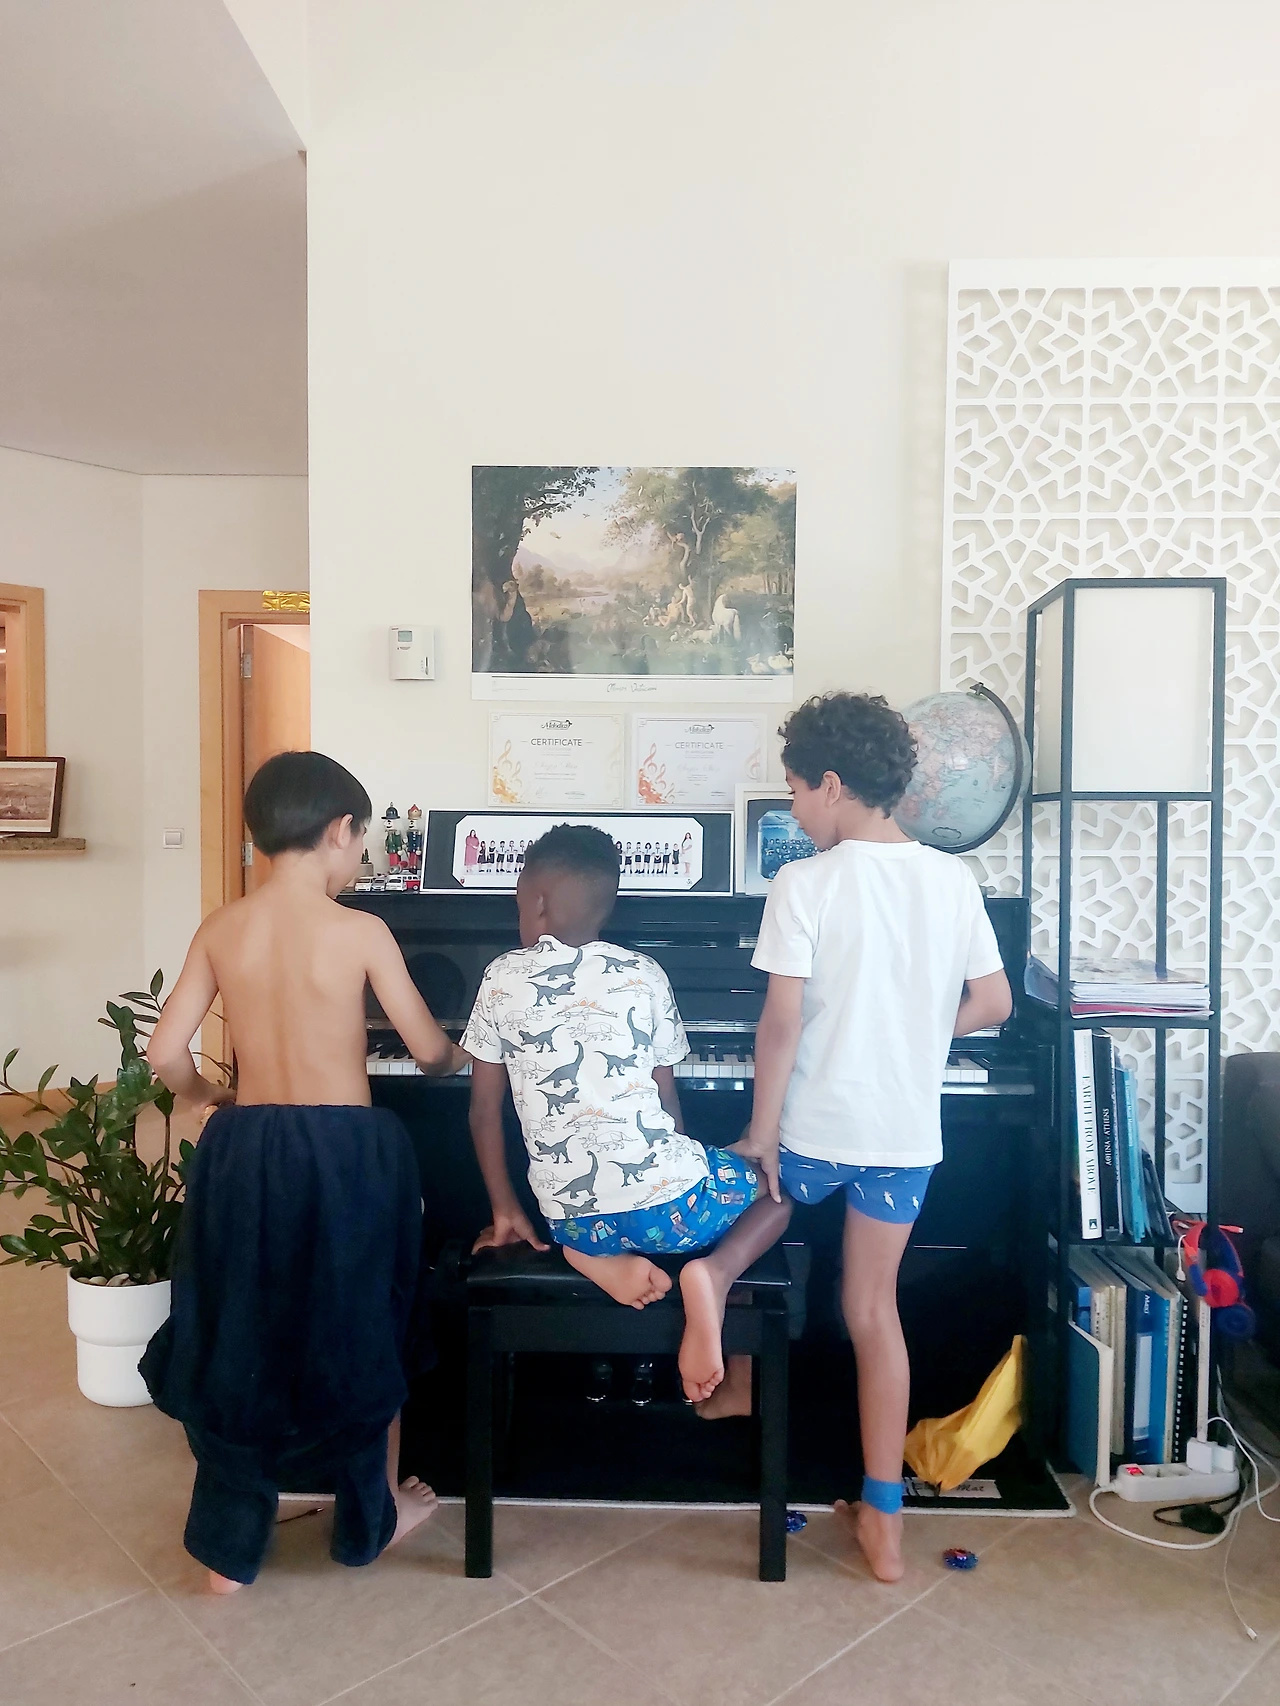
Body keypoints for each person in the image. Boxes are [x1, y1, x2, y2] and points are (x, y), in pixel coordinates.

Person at [141, 750, 469, 1594]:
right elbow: (428, 1049)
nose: (358, 856)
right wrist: (457, 1055)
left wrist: (209, 1097)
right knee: (364, 1319)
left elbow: (165, 1052)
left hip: (246, 1148)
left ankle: (227, 1550)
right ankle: (369, 1521)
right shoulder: (360, 931)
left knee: (239, 1324)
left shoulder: (223, 926)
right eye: (360, 841)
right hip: (347, 1152)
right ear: (338, 830)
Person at [733, 692, 1012, 1584]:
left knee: (734, 1220)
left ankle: (725, 1377)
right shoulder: (952, 881)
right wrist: (920, 1034)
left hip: (814, 1132)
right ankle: (883, 1521)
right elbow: (994, 1002)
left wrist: (760, 1133)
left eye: (792, 792)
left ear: (830, 784)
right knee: (871, 1312)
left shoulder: (805, 883)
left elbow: (780, 1025)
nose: (793, 811)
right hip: (903, 1140)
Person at [462, 824, 792, 1401]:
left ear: (535, 903)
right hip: (674, 1212)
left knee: (580, 1209)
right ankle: (711, 1276)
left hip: (567, 1218)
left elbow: (483, 1111)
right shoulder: (645, 973)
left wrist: (505, 1210)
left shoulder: (499, 977)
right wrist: (680, 1161)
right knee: (781, 1181)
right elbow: (666, 1100)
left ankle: (589, 1254)